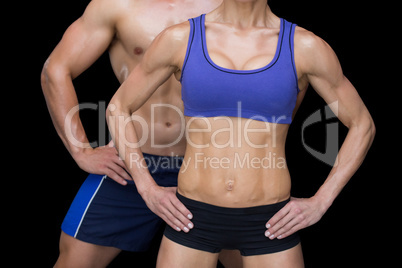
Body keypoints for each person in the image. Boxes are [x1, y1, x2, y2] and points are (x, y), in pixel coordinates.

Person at [106, 0, 376, 267]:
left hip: (271, 222)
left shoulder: (303, 46)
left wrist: (321, 201)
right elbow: (119, 107)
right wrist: (147, 187)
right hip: (191, 217)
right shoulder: (181, 39)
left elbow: (362, 123)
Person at [41, 0, 243, 267]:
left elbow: (281, 69)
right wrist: (81, 150)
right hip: (129, 165)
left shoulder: (231, 6)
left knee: (251, 260)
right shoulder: (116, 5)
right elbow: (55, 70)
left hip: (212, 166)